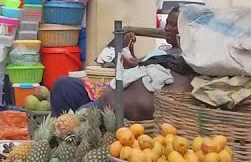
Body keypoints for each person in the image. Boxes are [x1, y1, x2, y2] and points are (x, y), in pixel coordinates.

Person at [49, 8, 194, 120]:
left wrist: (135, 64)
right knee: (63, 85)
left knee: (82, 115)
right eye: (167, 23)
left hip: (120, 98)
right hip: (111, 88)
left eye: (173, 25)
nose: (167, 28)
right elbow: (140, 69)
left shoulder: (184, 58)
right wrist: (130, 53)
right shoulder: (163, 49)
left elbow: (150, 80)